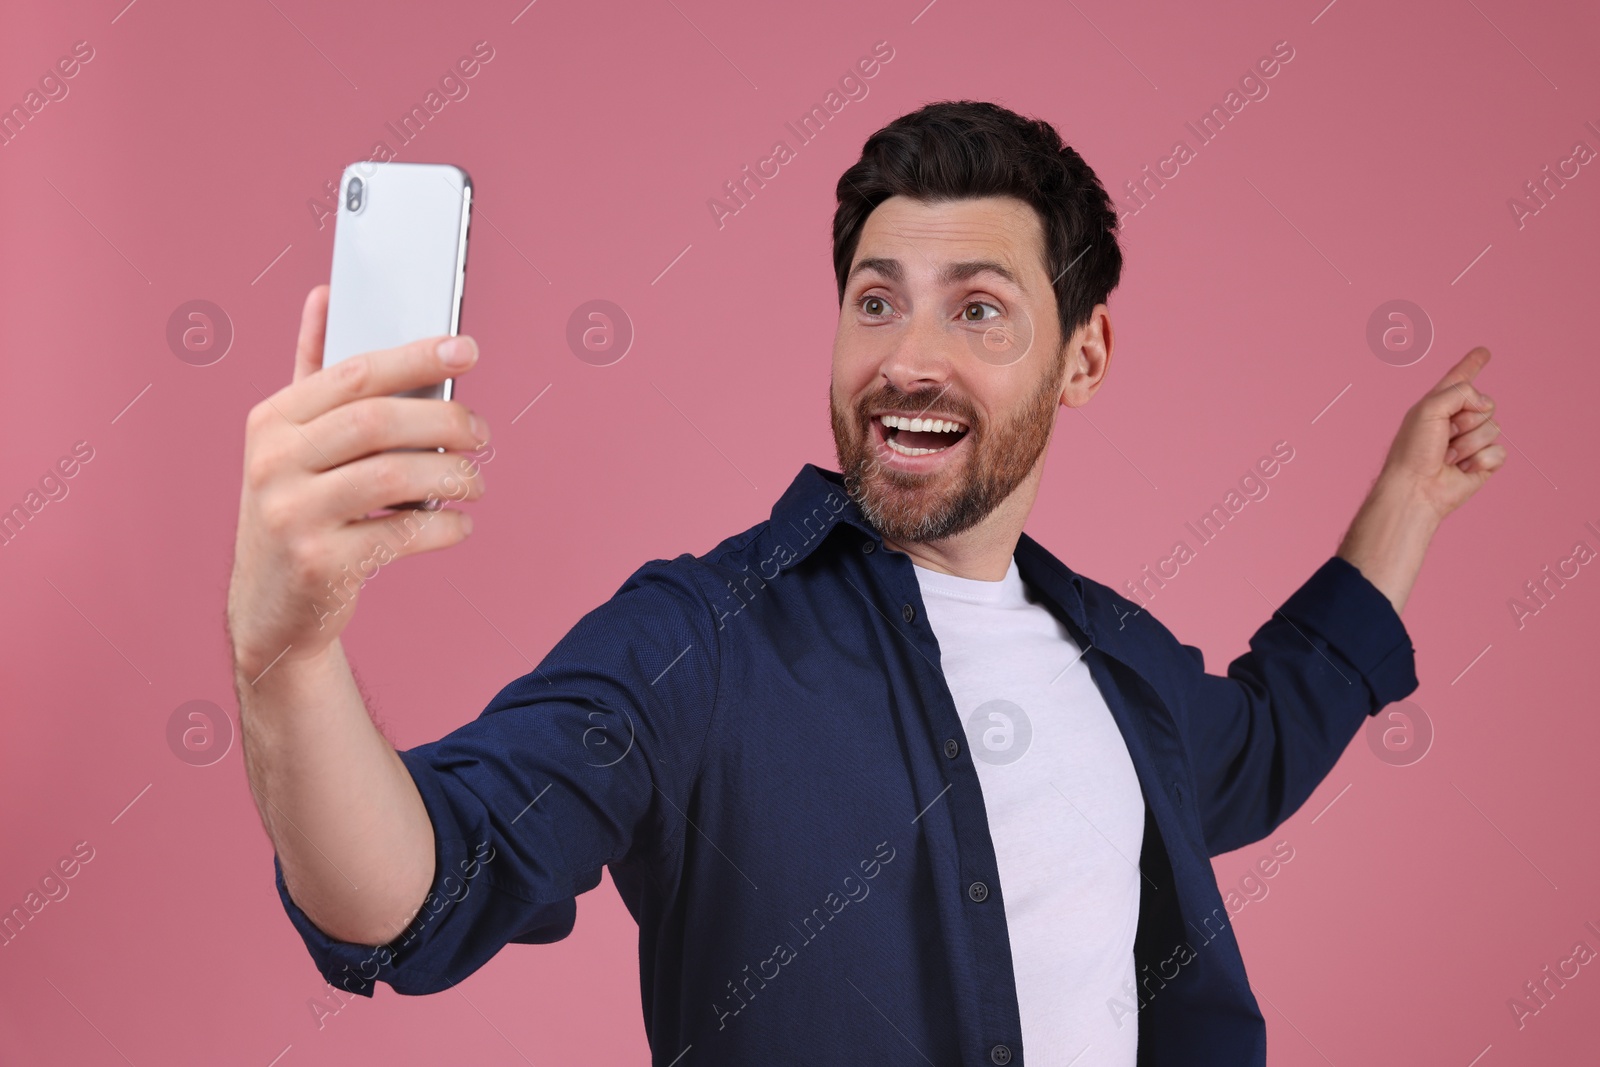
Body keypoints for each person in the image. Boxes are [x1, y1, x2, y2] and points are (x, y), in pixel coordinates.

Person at [227, 101, 1505, 1066]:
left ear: (1085, 355)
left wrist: (1405, 502)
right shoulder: (697, 642)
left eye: (978, 310)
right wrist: (287, 663)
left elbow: (1269, 735)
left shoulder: (1123, 673)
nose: (908, 358)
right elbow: (421, 888)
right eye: (875, 299)